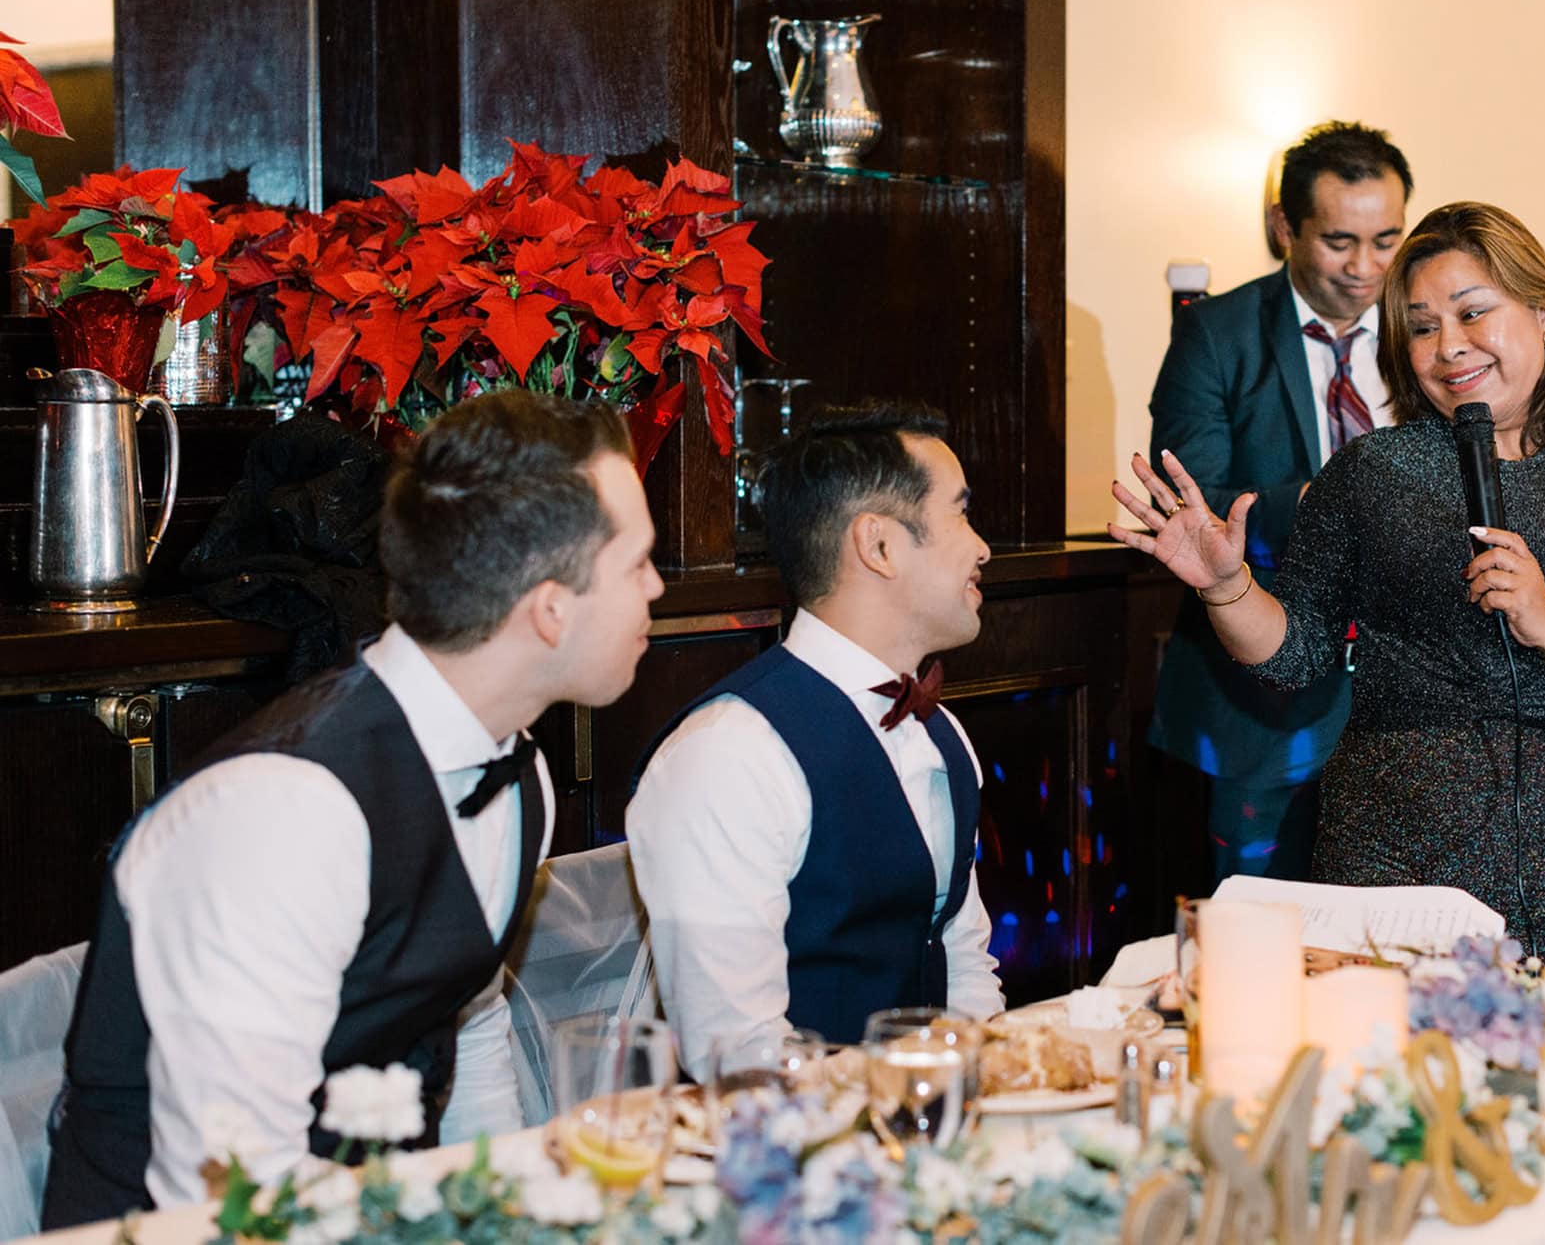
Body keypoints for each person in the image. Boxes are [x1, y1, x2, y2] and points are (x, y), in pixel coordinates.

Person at [42, 390, 664, 1228]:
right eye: (637, 564)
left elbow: (467, 1025)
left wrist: (504, 1216)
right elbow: (227, 1185)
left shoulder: (517, 773)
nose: (657, 587)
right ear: (551, 609)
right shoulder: (285, 815)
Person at [1113, 201, 1545, 954]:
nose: (1449, 346)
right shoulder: (1371, 471)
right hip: (1391, 864)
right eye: (1421, 327)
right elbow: (1293, 655)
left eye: (1473, 313)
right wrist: (1226, 587)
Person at [628, 402, 1003, 1081]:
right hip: (788, 1132)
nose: (982, 547)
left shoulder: (943, 732)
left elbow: (961, 956)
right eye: (961, 514)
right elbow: (734, 1051)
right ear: (878, 546)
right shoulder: (728, 755)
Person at [1145, 121, 1413, 883]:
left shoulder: (1424, 332)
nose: (1366, 268)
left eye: (1387, 241)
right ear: (1284, 228)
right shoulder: (1217, 333)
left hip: (1407, 694)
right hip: (1259, 699)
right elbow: (1189, 500)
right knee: (1259, 923)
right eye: (1339, 242)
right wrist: (1324, 505)